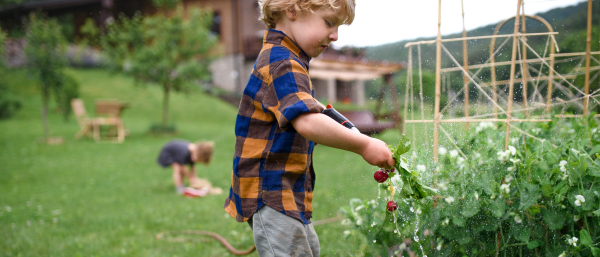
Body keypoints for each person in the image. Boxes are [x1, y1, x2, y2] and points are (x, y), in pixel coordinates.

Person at [223, 0, 395, 255]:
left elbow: (310, 111)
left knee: (308, 249)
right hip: (270, 190)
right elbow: (307, 121)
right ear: (292, 10)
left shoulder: (288, 59)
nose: (335, 35)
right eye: (329, 22)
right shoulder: (282, 62)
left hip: (284, 189)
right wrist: (365, 144)